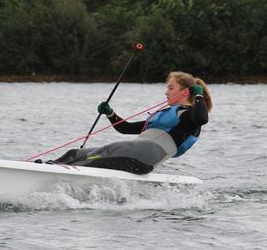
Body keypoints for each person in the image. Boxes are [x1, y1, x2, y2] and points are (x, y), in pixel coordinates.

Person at [52, 71, 212, 174]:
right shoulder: (162, 116)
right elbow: (125, 128)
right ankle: (48, 166)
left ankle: (65, 172)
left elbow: (201, 119)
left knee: (110, 149)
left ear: (184, 91)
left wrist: (198, 97)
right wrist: (110, 113)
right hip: (133, 151)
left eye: (170, 88)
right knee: (75, 153)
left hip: (147, 156)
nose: (166, 92)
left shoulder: (189, 115)